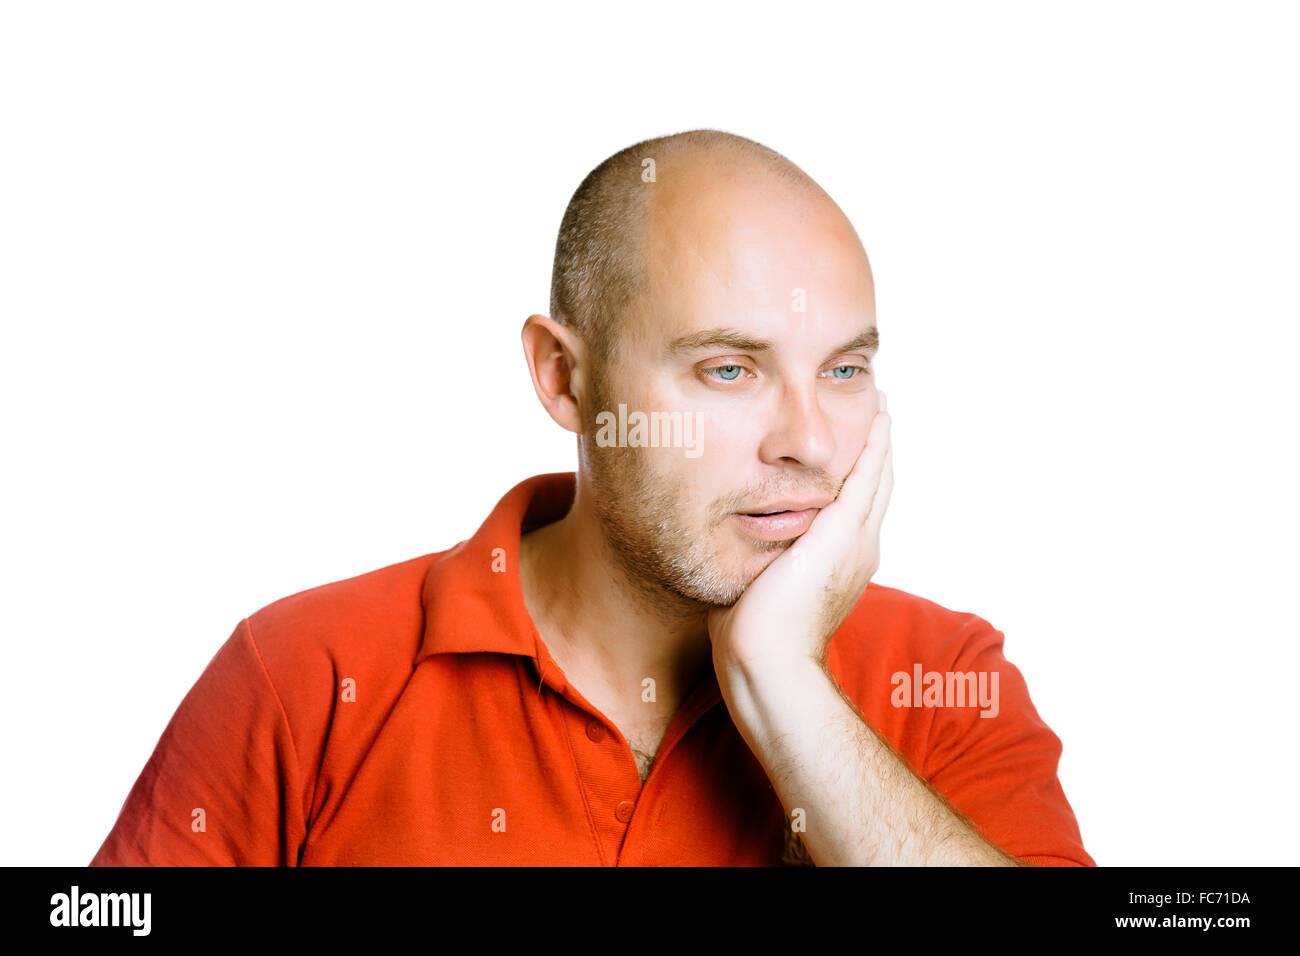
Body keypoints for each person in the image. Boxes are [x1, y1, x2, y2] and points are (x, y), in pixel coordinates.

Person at [90, 129, 1094, 866]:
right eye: (729, 369)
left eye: (841, 370)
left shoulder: (946, 674)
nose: (809, 442)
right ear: (564, 378)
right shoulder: (304, 673)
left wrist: (784, 682)